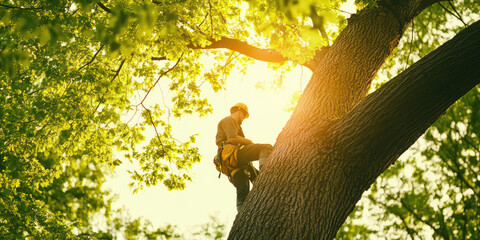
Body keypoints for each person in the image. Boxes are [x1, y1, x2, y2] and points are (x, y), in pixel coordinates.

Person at [215, 103, 273, 211]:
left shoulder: (237, 126)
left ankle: (242, 214)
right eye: (244, 116)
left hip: (230, 163)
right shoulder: (229, 120)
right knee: (266, 148)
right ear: (240, 111)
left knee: (244, 189)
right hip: (232, 154)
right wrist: (249, 142)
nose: (244, 119)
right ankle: (266, 173)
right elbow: (232, 138)